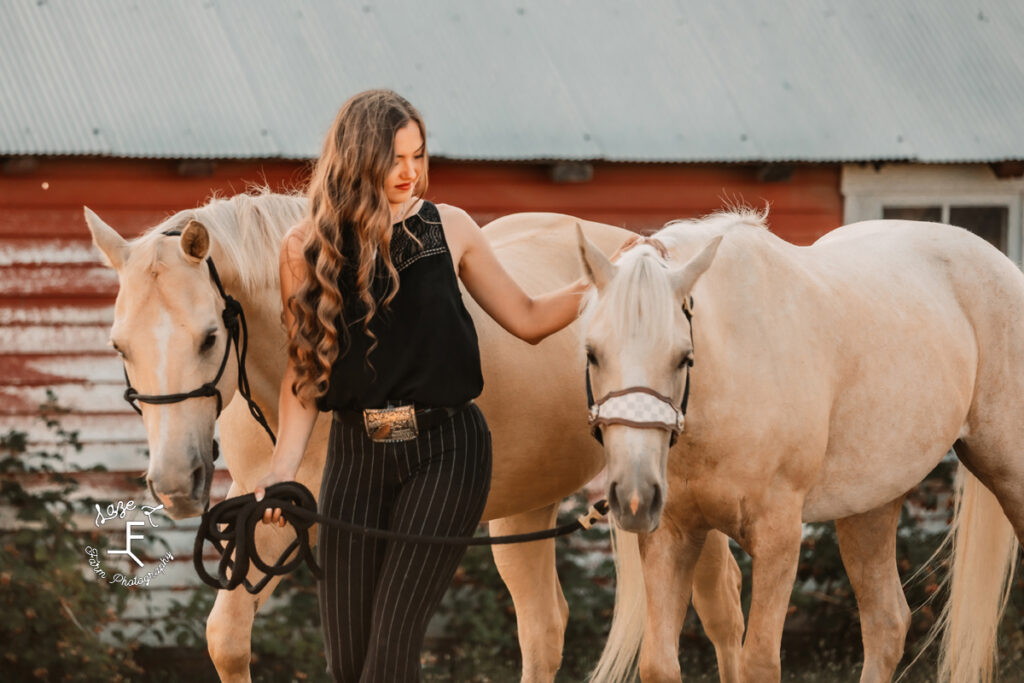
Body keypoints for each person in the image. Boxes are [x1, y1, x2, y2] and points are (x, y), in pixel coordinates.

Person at [253, 89, 632, 682]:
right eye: (395, 159)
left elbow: (528, 318)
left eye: (419, 156)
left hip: (447, 451)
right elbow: (306, 375)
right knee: (349, 665)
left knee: (390, 658)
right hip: (356, 456)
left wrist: (604, 279)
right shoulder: (304, 249)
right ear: (355, 160)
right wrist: (280, 469)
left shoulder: (448, 227)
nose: (410, 173)